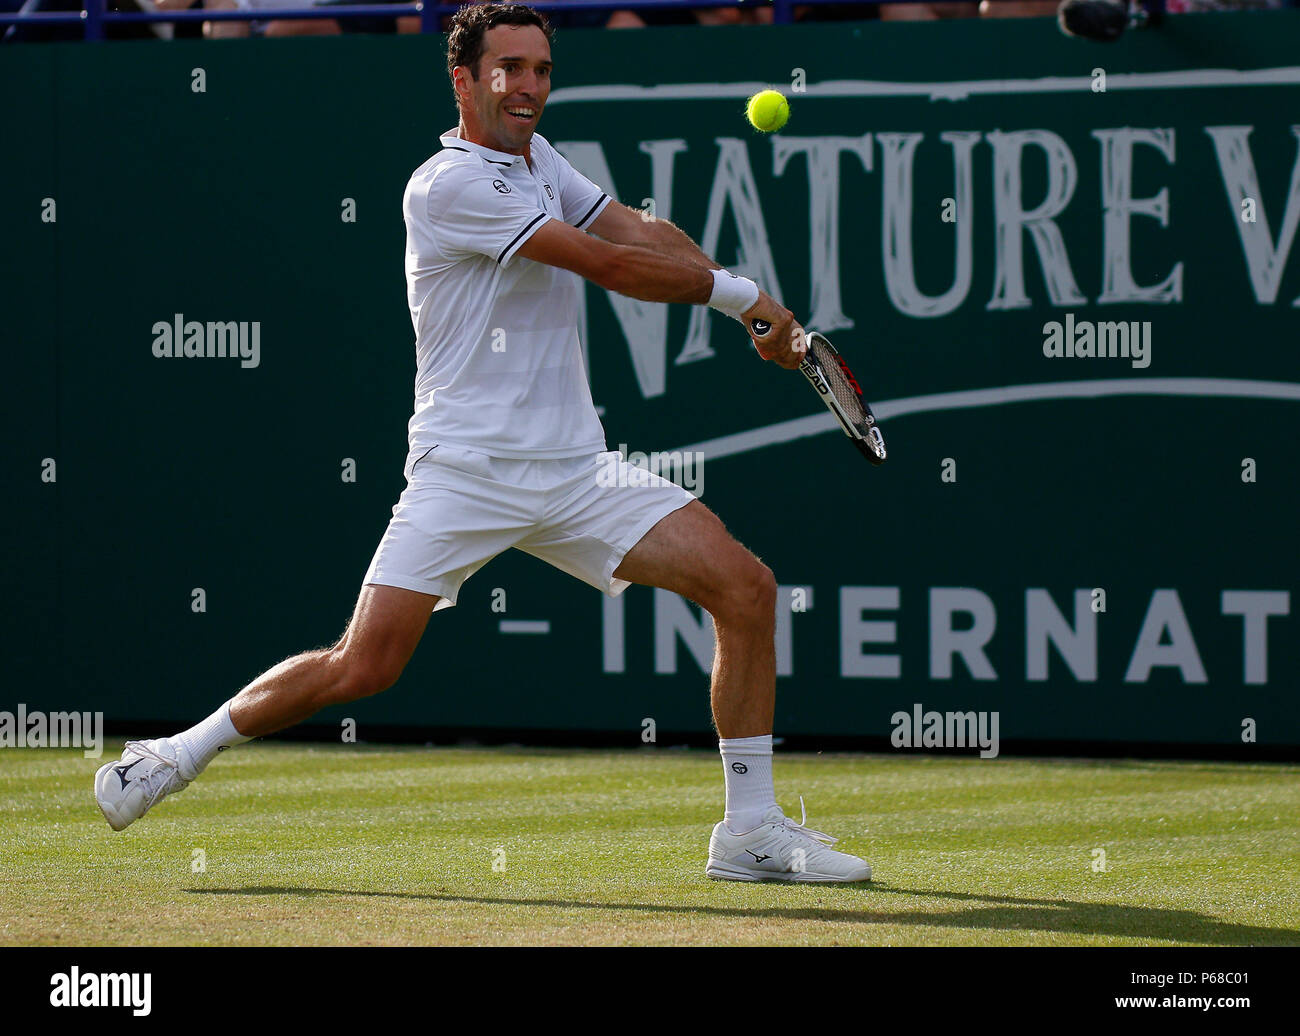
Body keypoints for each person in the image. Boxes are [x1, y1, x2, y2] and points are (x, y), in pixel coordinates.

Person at [94, 1, 871, 885]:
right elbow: (607, 265)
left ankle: (751, 832)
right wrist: (741, 302)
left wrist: (749, 291)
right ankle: (175, 753)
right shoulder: (448, 183)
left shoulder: (540, 159)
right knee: (365, 666)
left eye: (541, 68)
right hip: (464, 471)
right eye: (509, 69)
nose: (529, 86)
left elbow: (633, 230)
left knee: (746, 588)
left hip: (576, 470)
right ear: (464, 79)